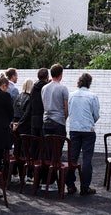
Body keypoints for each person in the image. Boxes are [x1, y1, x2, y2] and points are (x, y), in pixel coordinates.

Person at [67, 72, 100, 196]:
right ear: (89, 83)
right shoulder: (93, 96)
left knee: (72, 157)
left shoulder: (71, 95)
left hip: (74, 129)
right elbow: (96, 114)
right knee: (87, 159)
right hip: (88, 130)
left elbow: (69, 111)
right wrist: (91, 122)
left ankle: (70, 185)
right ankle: (85, 187)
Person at [42, 64, 70, 193]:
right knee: (57, 153)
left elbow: (44, 105)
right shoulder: (63, 88)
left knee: (47, 152)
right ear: (61, 74)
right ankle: (53, 182)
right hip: (58, 122)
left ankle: (46, 181)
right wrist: (63, 119)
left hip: (46, 121)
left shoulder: (44, 88)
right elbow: (66, 108)